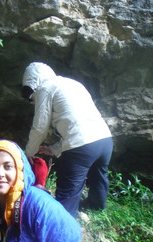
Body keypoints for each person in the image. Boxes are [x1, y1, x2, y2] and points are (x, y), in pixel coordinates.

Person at [21, 61, 113, 217]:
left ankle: (65, 217)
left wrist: (28, 153)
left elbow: (40, 127)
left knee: (68, 186)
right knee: (98, 175)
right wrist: (53, 149)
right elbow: (76, 123)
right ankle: (96, 206)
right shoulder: (73, 84)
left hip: (82, 146)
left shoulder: (45, 88)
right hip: (105, 140)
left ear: (33, 83)